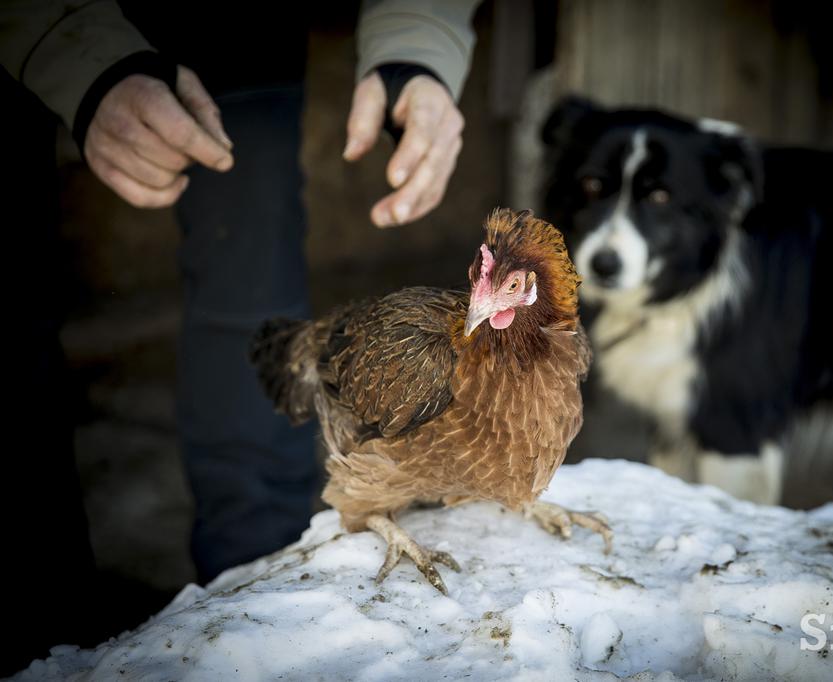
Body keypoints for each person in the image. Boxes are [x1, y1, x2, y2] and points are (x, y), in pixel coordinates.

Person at [0, 0, 479, 671]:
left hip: (237, 29)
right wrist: (68, 49)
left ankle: (261, 614)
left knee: (251, 264)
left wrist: (418, 49)